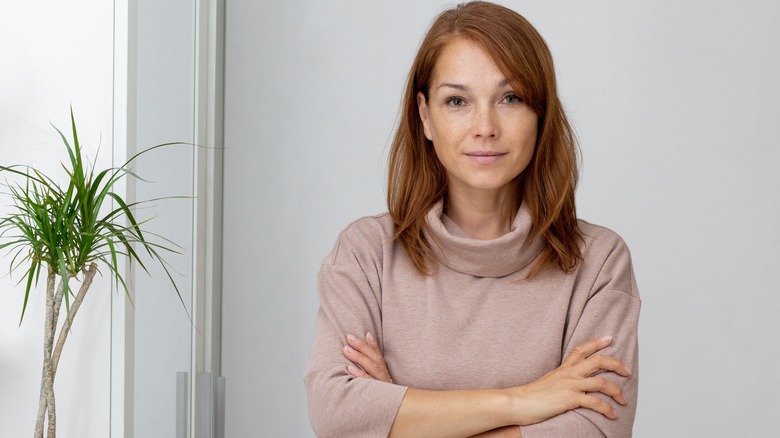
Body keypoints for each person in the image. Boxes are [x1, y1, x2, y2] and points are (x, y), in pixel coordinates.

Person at [303, 2, 641, 437]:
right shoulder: (366, 253)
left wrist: (402, 418)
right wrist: (526, 399)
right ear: (425, 115)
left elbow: (596, 430)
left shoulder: (597, 261)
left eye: (510, 98)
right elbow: (335, 415)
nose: (485, 126)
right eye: (457, 100)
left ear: (541, 113)